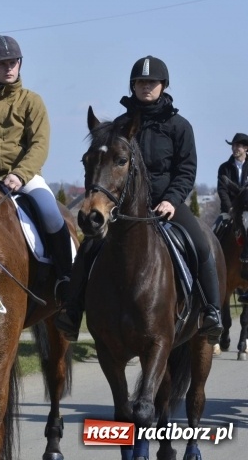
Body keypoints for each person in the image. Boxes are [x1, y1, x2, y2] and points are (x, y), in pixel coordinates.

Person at [55, 56, 223, 343]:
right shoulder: (119, 125)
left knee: (200, 243)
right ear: (132, 86)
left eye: (151, 82)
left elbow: (186, 169)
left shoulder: (179, 126)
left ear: (163, 86)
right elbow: (105, 167)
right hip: (126, 208)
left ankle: (211, 311)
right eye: (140, 82)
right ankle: (73, 311)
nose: (146, 87)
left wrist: (171, 200)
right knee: (89, 247)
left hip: (166, 204)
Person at [0, 35, 74, 305]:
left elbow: (39, 145)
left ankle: (67, 279)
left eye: (13, 62)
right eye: (1, 63)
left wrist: (19, 174)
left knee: (51, 213)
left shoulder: (32, 101)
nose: (9, 68)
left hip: (25, 178)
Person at [215, 132, 248, 302]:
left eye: (239, 146)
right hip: (228, 212)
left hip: (247, 212)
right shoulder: (224, 168)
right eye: (234, 145)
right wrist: (230, 208)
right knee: (213, 234)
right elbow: (222, 190)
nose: (235, 148)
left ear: (246, 149)